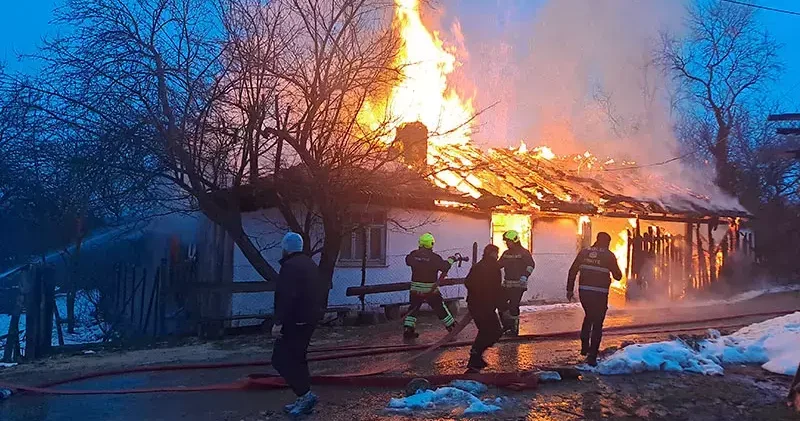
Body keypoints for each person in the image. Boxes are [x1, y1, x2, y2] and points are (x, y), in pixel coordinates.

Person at [272, 232, 327, 416]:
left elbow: (286, 297)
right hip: (309, 319)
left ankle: (305, 395)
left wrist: (279, 322)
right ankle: (303, 397)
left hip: (295, 320)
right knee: (298, 357)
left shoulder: (290, 267)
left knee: (280, 359)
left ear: (286, 248)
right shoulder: (309, 264)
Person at [566, 232, 623, 366]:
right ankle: (592, 355)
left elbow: (572, 270)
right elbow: (618, 276)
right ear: (607, 242)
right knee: (597, 322)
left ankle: (585, 346)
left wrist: (569, 289)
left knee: (589, 316)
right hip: (600, 294)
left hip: (584, 292)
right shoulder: (609, 255)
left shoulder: (584, 252)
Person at [403, 232, 457, 339]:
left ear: (420, 243)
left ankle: (408, 330)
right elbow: (445, 267)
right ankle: (452, 328)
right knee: (440, 308)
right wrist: (452, 260)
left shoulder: (413, 255)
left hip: (415, 290)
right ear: (431, 244)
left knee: (413, 309)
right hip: (430, 291)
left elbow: (407, 261)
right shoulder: (434, 258)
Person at [464, 244, 504, 373]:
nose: (497, 256)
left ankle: (476, 357)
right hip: (486, 306)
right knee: (495, 331)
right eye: (496, 254)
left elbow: (467, 282)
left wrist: (475, 295)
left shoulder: (477, 267)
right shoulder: (494, 268)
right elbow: (497, 289)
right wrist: (503, 306)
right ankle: (475, 356)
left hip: (475, 305)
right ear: (493, 254)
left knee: (484, 331)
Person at [498, 230, 535, 336]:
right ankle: (506, 326)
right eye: (506, 241)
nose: (507, 243)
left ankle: (514, 329)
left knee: (513, 306)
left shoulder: (524, 253)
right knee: (500, 304)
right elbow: (499, 264)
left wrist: (525, 275)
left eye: (508, 241)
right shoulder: (506, 253)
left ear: (515, 240)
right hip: (507, 284)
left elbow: (531, 265)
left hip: (519, 285)